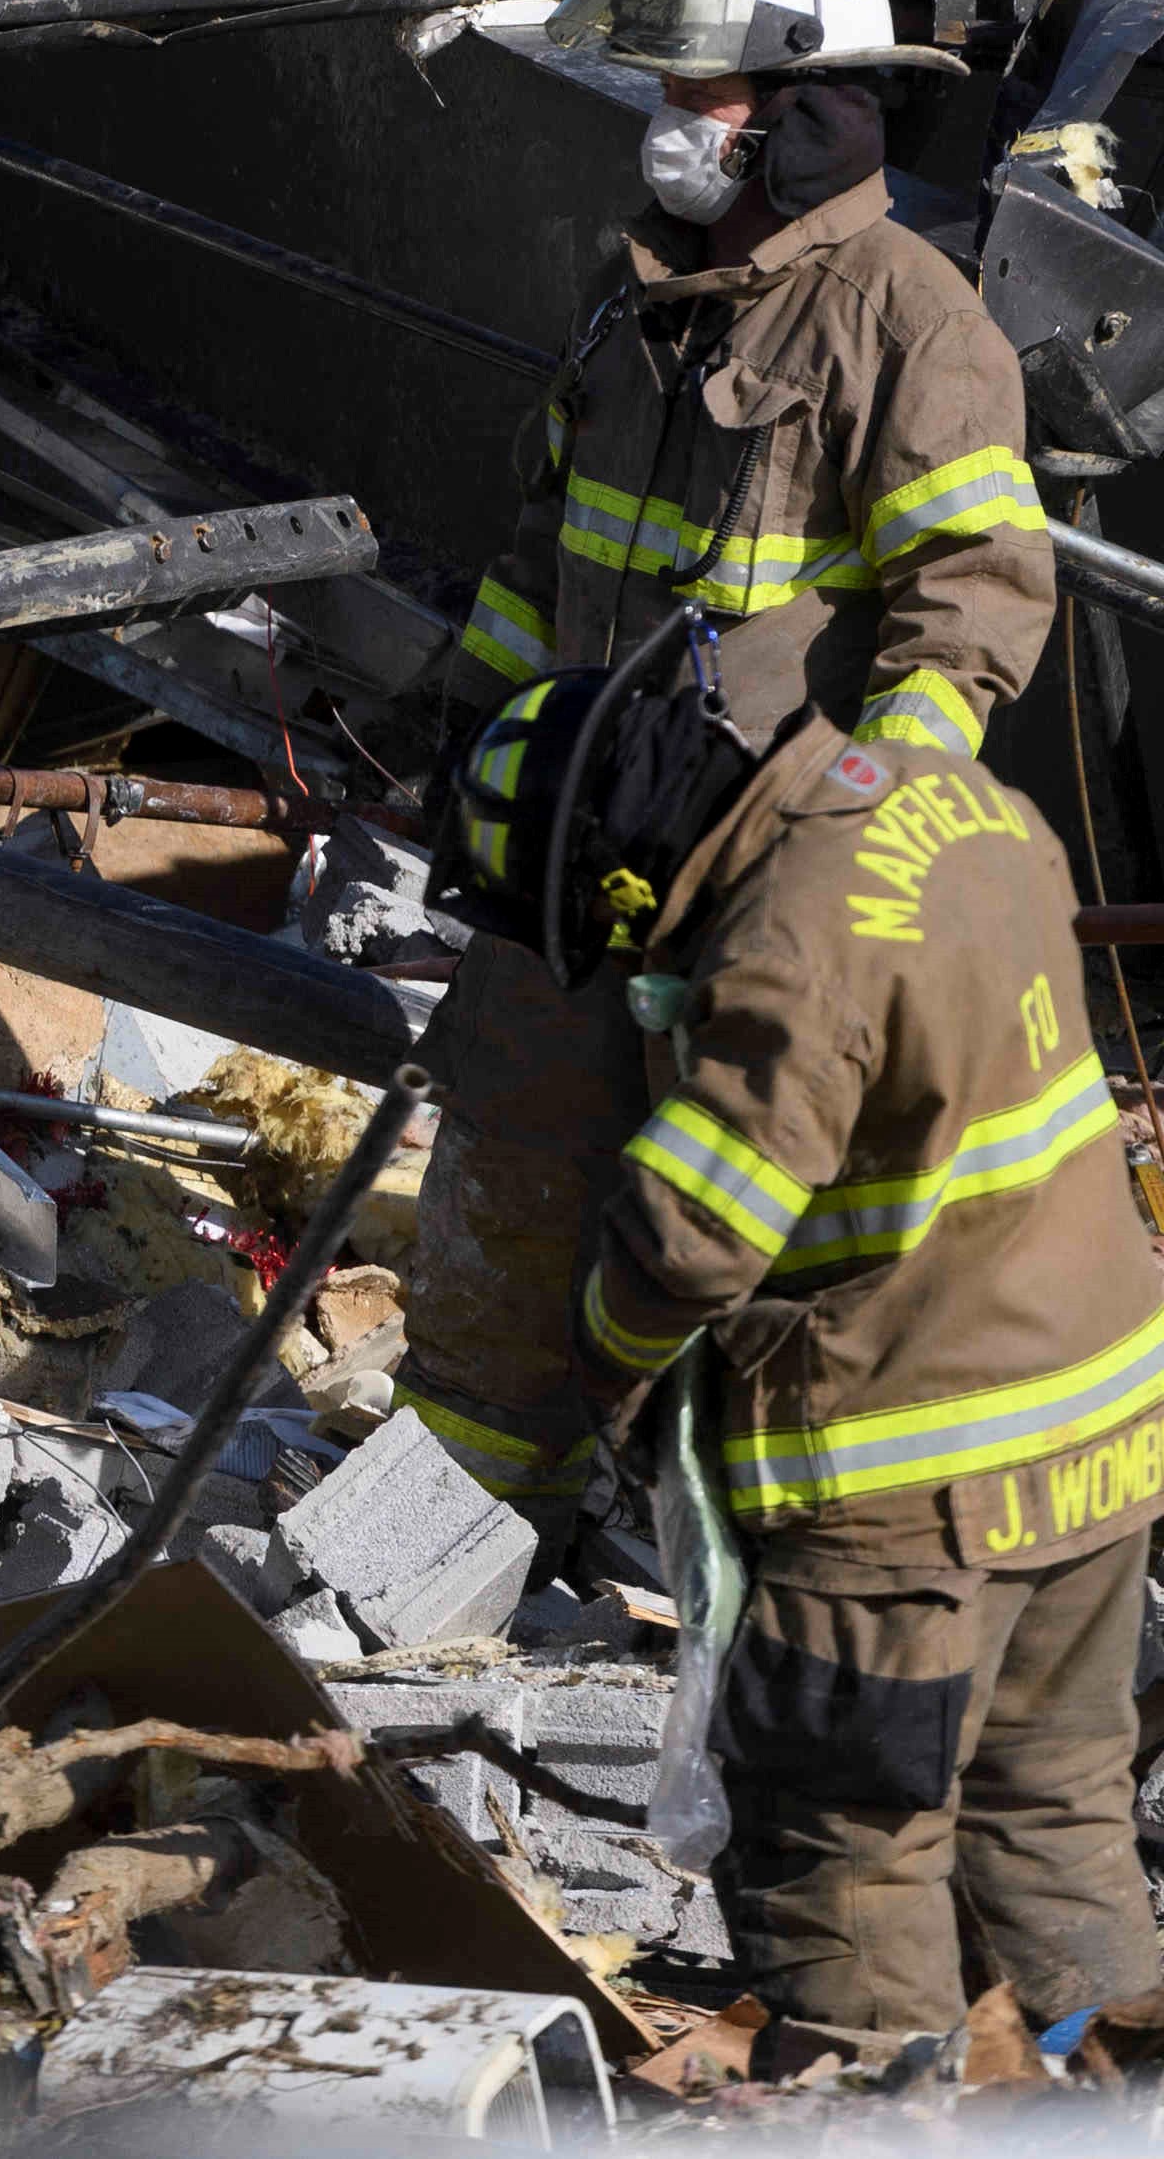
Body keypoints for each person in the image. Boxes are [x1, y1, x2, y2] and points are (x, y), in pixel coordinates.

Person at [397, 0, 1056, 1541]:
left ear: (808, 117)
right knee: (515, 1176)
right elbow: (547, 556)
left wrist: (866, 853)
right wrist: (461, 738)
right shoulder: (641, 305)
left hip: (761, 903)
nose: (666, 129)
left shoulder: (909, 328)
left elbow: (968, 604)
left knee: (740, 1232)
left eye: (696, 97)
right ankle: (451, 1540)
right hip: (574, 868)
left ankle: (711, 1562)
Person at [441, 624, 1163, 2036]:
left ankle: (879, 2124)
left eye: (608, 927)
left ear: (629, 873)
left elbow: (690, 1234)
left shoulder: (787, 945)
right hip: (1107, 1434)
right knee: (1053, 1805)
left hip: (915, 1500)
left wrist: (612, 1367)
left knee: (840, 1860)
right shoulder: (966, 800)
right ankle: (1122, 2094)